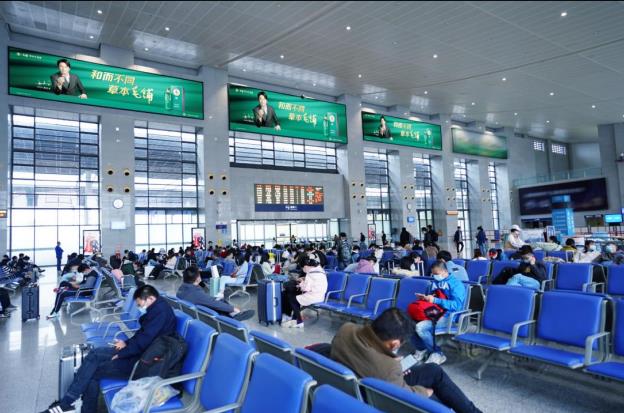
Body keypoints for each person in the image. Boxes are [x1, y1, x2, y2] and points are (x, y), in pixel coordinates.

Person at [40, 285, 176, 413]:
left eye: (140, 305)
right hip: (141, 353)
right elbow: (143, 336)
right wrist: (126, 343)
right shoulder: (157, 309)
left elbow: (144, 340)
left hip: (144, 363)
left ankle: (68, 403)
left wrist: (122, 353)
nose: (140, 308)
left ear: (150, 298)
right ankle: (69, 403)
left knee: (93, 372)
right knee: (94, 354)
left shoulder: (160, 313)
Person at [331, 308, 481, 413]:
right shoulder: (389, 367)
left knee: (433, 370)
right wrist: (425, 391)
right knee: (436, 396)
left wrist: (388, 362)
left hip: (359, 381)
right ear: (395, 344)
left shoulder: (346, 329)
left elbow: (371, 359)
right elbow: (405, 396)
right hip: (375, 395)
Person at [413, 260, 466, 365]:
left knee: (420, 327)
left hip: (449, 317)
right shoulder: (434, 283)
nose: (434, 276)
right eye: (433, 274)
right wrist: (425, 298)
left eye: (436, 274)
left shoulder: (456, 284)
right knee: (408, 322)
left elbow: (456, 306)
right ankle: (422, 348)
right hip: (433, 313)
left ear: (445, 271)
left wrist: (435, 300)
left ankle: (437, 353)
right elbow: (432, 299)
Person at [177, 267, 254, 321]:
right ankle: (233, 315)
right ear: (197, 278)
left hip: (194, 308)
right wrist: (233, 308)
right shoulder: (196, 293)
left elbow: (204, 290)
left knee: (221, 295)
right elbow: (214, 303)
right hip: (206, 314)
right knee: (219, 300)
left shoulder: (182, 288)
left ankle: (232, 313)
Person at [282, 254, 328, 328]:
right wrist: (304, 279)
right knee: (293, 294)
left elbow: (305, 288)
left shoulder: (311, 274)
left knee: (292, 298)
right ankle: (294, 318)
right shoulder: (320, 270)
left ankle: (298, 321)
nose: (303, 269)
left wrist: (300, 283)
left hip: (314, 296)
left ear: (306, 266)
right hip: (320, 295)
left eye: (303, 267)